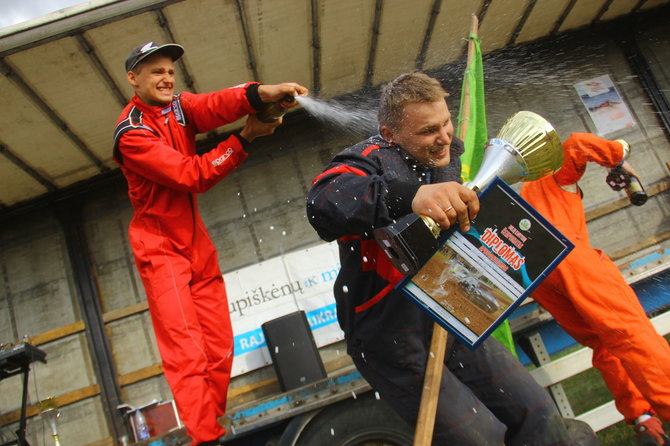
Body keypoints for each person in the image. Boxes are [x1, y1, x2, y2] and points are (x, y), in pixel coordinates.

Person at [306, 71, 597, 445]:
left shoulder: (448, 153)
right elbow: (323, 201)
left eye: (445, 122)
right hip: (389, 334)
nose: (443, 137)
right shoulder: (367, 159)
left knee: (539, 416)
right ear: (391, 134)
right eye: (428, 131)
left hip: (451, 311)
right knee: (481, 439)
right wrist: (413, 197)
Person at [112, 41, 307, 446]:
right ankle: (206, 439)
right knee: (187, 354)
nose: (166, 78)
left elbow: (214, 105)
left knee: (218, 350)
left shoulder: (179, 107)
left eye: (169, 71)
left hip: (194, 239)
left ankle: (211, 426)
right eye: (155, 72)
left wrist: (262, 93)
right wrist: (246, 139)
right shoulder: (131, 134)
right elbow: (192, 175)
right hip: (159, 247)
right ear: (133, 78)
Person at [520, 132, 670, 446]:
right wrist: (620, 153)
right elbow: (577, 143)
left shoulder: (526, 191)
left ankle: (643, 418)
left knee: (605, 346)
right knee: (631, 333)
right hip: (574, 264)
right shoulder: (552, 173)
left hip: (540, 278)